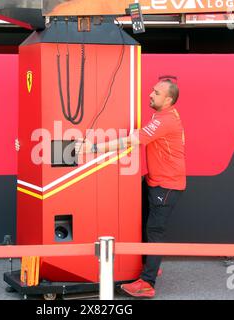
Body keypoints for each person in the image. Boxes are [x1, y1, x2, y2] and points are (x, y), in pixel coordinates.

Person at [75, 76, 186, 298]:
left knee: (154, 232)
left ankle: (148, 282)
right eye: (152, 90)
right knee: (145, 225)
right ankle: (150, 265)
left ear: (168, 99)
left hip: (166, 186)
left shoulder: (164, 120)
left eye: (156, 93)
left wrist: (93, 147)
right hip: (156, 181)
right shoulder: (164, 115)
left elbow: (131, 141)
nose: (150, 94)